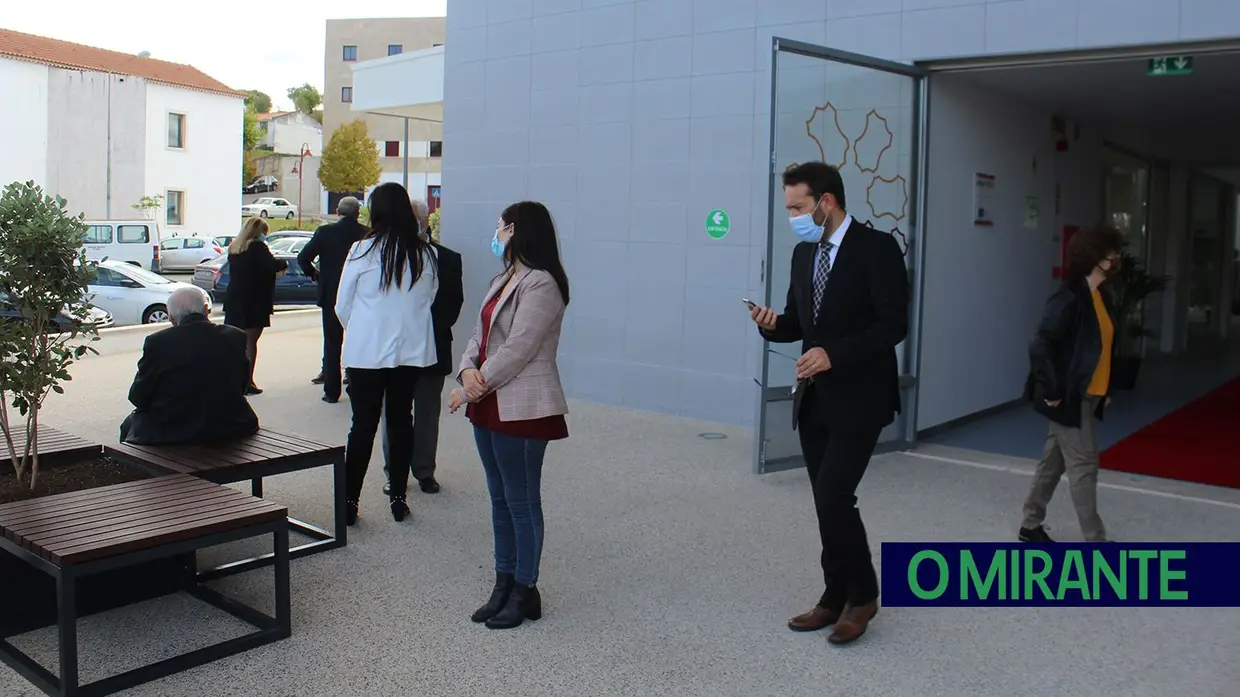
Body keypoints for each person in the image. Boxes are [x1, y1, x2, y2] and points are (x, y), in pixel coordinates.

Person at [748, 162, 908, 645]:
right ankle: (833, 594)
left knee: (836, 494)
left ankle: (863, 595)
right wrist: (771, 323)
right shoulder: (803, 254)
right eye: (789, 207)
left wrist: (832, 354)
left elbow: (892, 326)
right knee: (825, 502)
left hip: (861, 397)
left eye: (798, 207)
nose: (793, 216)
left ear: (827, 201)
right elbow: (801, 323)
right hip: (815, 400)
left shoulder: (877, 249)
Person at [449, 201, 571, 631]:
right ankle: (503, 584)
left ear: (516, 229)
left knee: (521, 502)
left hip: (523, 407)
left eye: (500, 227)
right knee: (499, 498)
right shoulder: (504, 278)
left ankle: (525, 588)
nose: (496, 233)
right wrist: (467, 370)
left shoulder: (542, 284)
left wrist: (472, 385)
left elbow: (519, 347)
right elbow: (479, 337)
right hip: (489, 402)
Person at [336, 182, 439, 525]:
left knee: (362, 425)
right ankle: (398, 498)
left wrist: (364, 328)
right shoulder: (426, 254)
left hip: (366, 353)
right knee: (401, 422)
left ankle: (349, 502)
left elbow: (342, 306)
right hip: (408, 352)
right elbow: (427, 301)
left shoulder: (361, 251)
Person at [1020, 225, 1123, 544]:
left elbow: (1099, 348)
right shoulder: (1068, 298)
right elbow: (1040, 345)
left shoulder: (1101, 297)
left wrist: (1104, 389)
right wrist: (1051, 391)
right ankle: (1096, 541)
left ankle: (1030, 524)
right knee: (1084, 465)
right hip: (1069, 397)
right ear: (1096, 257)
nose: (1117, 258)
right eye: (1112, 252)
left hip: (1089, 394)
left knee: (1054, 461)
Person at [382, 200, 464, 496]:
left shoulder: (449, 259)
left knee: (428, 414)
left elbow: (453, 303)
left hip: (433, 347)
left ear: (426, 219)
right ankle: (394, 473)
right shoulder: (388, 256)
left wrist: (425, 330)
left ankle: (425, 472)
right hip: (395, 351)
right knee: (394, 414)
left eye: (416, 217)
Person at [120, 287, 258, 444]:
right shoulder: (235, 336)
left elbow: (138, 396)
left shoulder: (158, 342)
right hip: (232, 426)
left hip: (174, 431)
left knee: (129, 425)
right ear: (206, 310)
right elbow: (242, 384)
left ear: (172, 318)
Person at [299, 196, 366, 403]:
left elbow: (303, 258)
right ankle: (357, 385)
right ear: (357, 213)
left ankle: (331, 391)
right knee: (360, 340)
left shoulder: (325, 233)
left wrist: (316, 275)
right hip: (360, 295)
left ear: (338, 212)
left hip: (331, 294)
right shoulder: (367, 233)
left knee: (332, 343)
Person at [224, 216, 287, 395]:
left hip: (235, 300)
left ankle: (233, 380)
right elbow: (272, 265)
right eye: (264, 232)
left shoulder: (234, 248)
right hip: (255, 301)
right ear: (259, 232)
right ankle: (248, 382)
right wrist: (285, 263)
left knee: (235, 343)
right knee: (250, 342)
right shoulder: (258, 247)